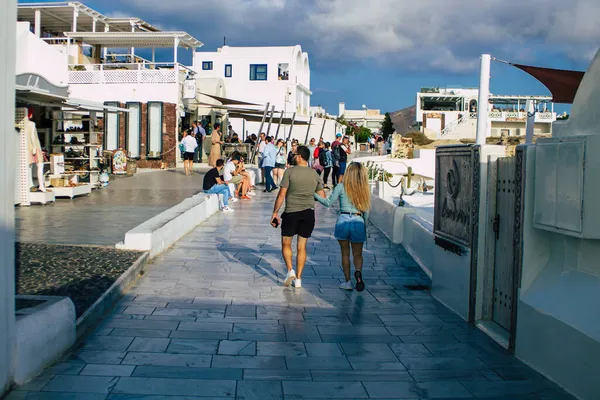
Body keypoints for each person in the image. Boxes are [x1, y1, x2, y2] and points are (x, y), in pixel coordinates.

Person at [271, 146, 325, 288]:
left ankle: (290, 270)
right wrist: (308, 195)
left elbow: (282, 194)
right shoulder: (314, 174)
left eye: (294, 154)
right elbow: (322, 197)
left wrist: (275, 213)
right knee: (302, 246)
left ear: (300, 156)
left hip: (291, 212)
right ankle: (299, 279)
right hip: (308, 213)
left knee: (286, 243)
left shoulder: (289, 172)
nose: (293, 156)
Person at [314, 162, 370, 291]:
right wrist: (364, 226)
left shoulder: (340, 186)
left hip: (343, 220)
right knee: (358, 254)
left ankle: (348, 282)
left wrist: (314, 195)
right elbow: (366, 212)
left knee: (345, 254)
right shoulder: (364, 189)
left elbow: (327, 203)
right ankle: (358, 273)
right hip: (358, 220)